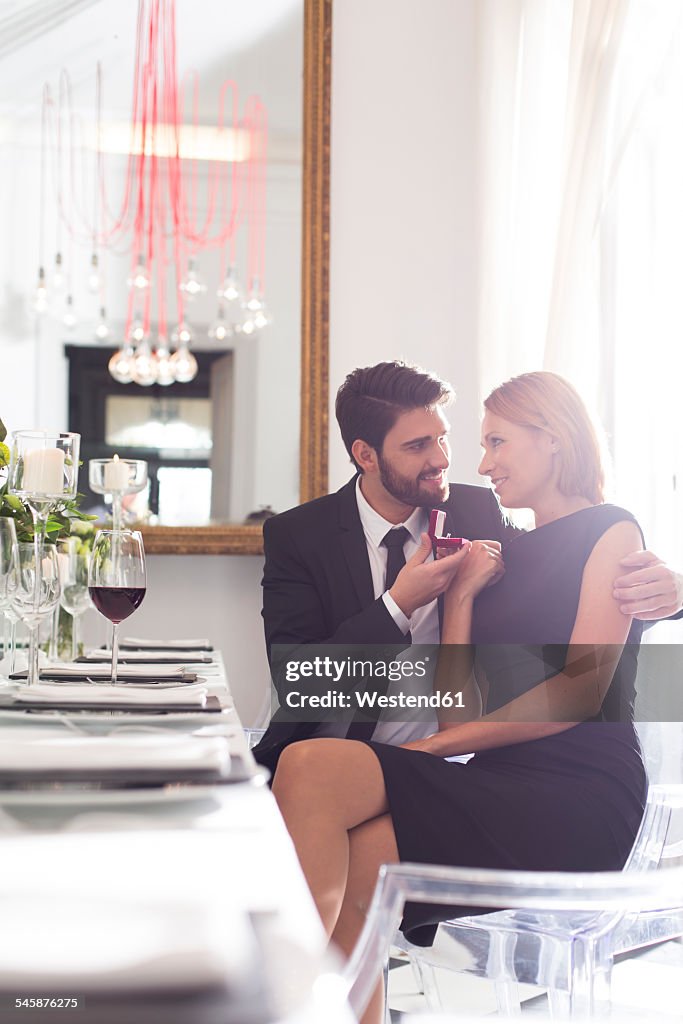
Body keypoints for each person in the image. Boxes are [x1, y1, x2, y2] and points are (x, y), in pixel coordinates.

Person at [271, 370, 659, 1024]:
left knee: (310, 765)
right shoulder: (504, 548)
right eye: (424, 446)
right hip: (497, 779)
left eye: (494, 442)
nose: (473, 464)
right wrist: (460, 597)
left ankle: (275, 1003)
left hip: (579, 792)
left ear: (553, 439)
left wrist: (431, 749)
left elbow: (581, 686)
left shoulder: (611, 530)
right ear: (366, 455)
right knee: (361, 865)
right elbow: (455, 704)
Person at [253, 361, 683, 775]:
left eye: (443, 438)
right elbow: (298, 685)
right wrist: (398, 604)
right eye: (417, 445)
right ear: (366, 455)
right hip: (331, 753)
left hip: (452, 760)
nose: (442, 459)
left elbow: (568, 585)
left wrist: (675, 592)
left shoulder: (481, 511)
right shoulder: (300, 536)